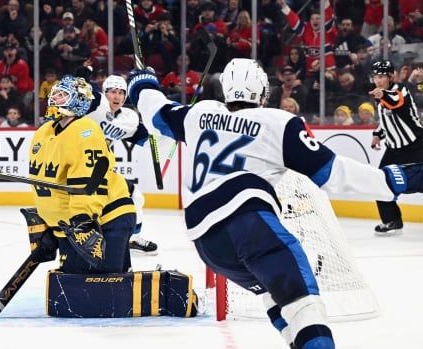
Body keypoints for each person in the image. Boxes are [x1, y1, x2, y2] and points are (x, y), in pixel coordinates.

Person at [126, 58, 423, 349]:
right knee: (303, 302)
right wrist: (398, 180)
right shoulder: (278, 122)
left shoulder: (197, 113)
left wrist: (143, 84)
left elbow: (156, 110)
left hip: (205, 241)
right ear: (263, 91)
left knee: (276, 295)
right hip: (247, 218)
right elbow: (334, 175)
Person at [33, 75, 136, 274]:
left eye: (62, 95)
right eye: (55, 94)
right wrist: (49, 223)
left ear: (77, 101)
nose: (54, 99)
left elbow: (89, 181)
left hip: (106, 218)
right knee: (75, 284)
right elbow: (43, 179)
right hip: (72, 225)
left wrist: (82, 220)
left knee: (106, 285)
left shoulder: (86, 131)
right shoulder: (44, 132)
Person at [84, 73, 158, 255]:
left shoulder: (128, 118)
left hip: (103, 171)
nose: (117, 96)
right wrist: (84, 75)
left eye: (121, 92)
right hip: (80, 168)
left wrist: (151, 105)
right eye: (112, 92)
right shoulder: (94, 107)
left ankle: (132, 238)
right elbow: (84, 88)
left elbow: (148, 138)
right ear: (104, 93)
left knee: (136, 196)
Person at [369, 60, 423, 236]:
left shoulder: (401, 90)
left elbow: (395, 101)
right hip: (393, 150)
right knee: (380, 181)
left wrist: (382, 94)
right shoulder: (380, 96)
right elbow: (386, 120)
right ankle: (392, 220)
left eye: (382, 76)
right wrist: (378, 134)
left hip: (416, 145)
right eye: (375, 76)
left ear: (391, 76)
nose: (378, 80)